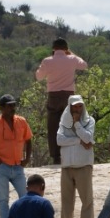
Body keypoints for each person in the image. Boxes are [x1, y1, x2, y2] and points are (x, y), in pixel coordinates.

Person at [35, 37, 87, 165]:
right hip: (69, 96)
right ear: (66, 48)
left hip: (53, 95)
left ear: (53, 48)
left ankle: (56, 156)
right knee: (71, 124)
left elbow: (39, 77)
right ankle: (72, 153)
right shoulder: (72, 59)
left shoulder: (47, 61)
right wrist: (71, 54)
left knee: (53, 126)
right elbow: (84, 65)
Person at [55, 94, 96, 218]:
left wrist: (77, 124)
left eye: (80, 106)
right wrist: (78, 140)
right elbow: (59, 140)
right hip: (66, 166)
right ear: (70, 107)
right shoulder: (63, 122)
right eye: (74, 106)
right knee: (66, 201)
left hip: (83, 165)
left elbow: (88, 138)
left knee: (86, 200)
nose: (77, 109)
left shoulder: (90, 121)